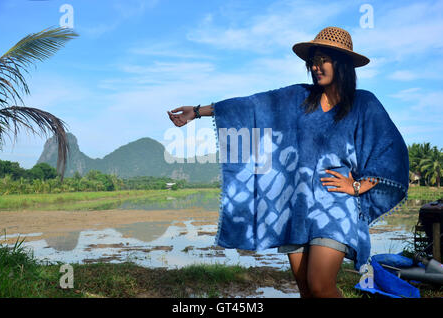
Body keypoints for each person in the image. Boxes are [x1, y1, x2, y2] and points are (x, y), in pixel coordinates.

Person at [167, 26, 409, 298]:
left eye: (323, 60)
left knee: (320, 285)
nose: (316, 67)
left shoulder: (364, 103)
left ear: (341, 64)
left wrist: (357, 187)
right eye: (312, 61)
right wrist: (198, 112)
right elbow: (252, 105)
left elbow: (389, 149)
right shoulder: (298, 98)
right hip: (296, 207)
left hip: (335, 206)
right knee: (307, 290)